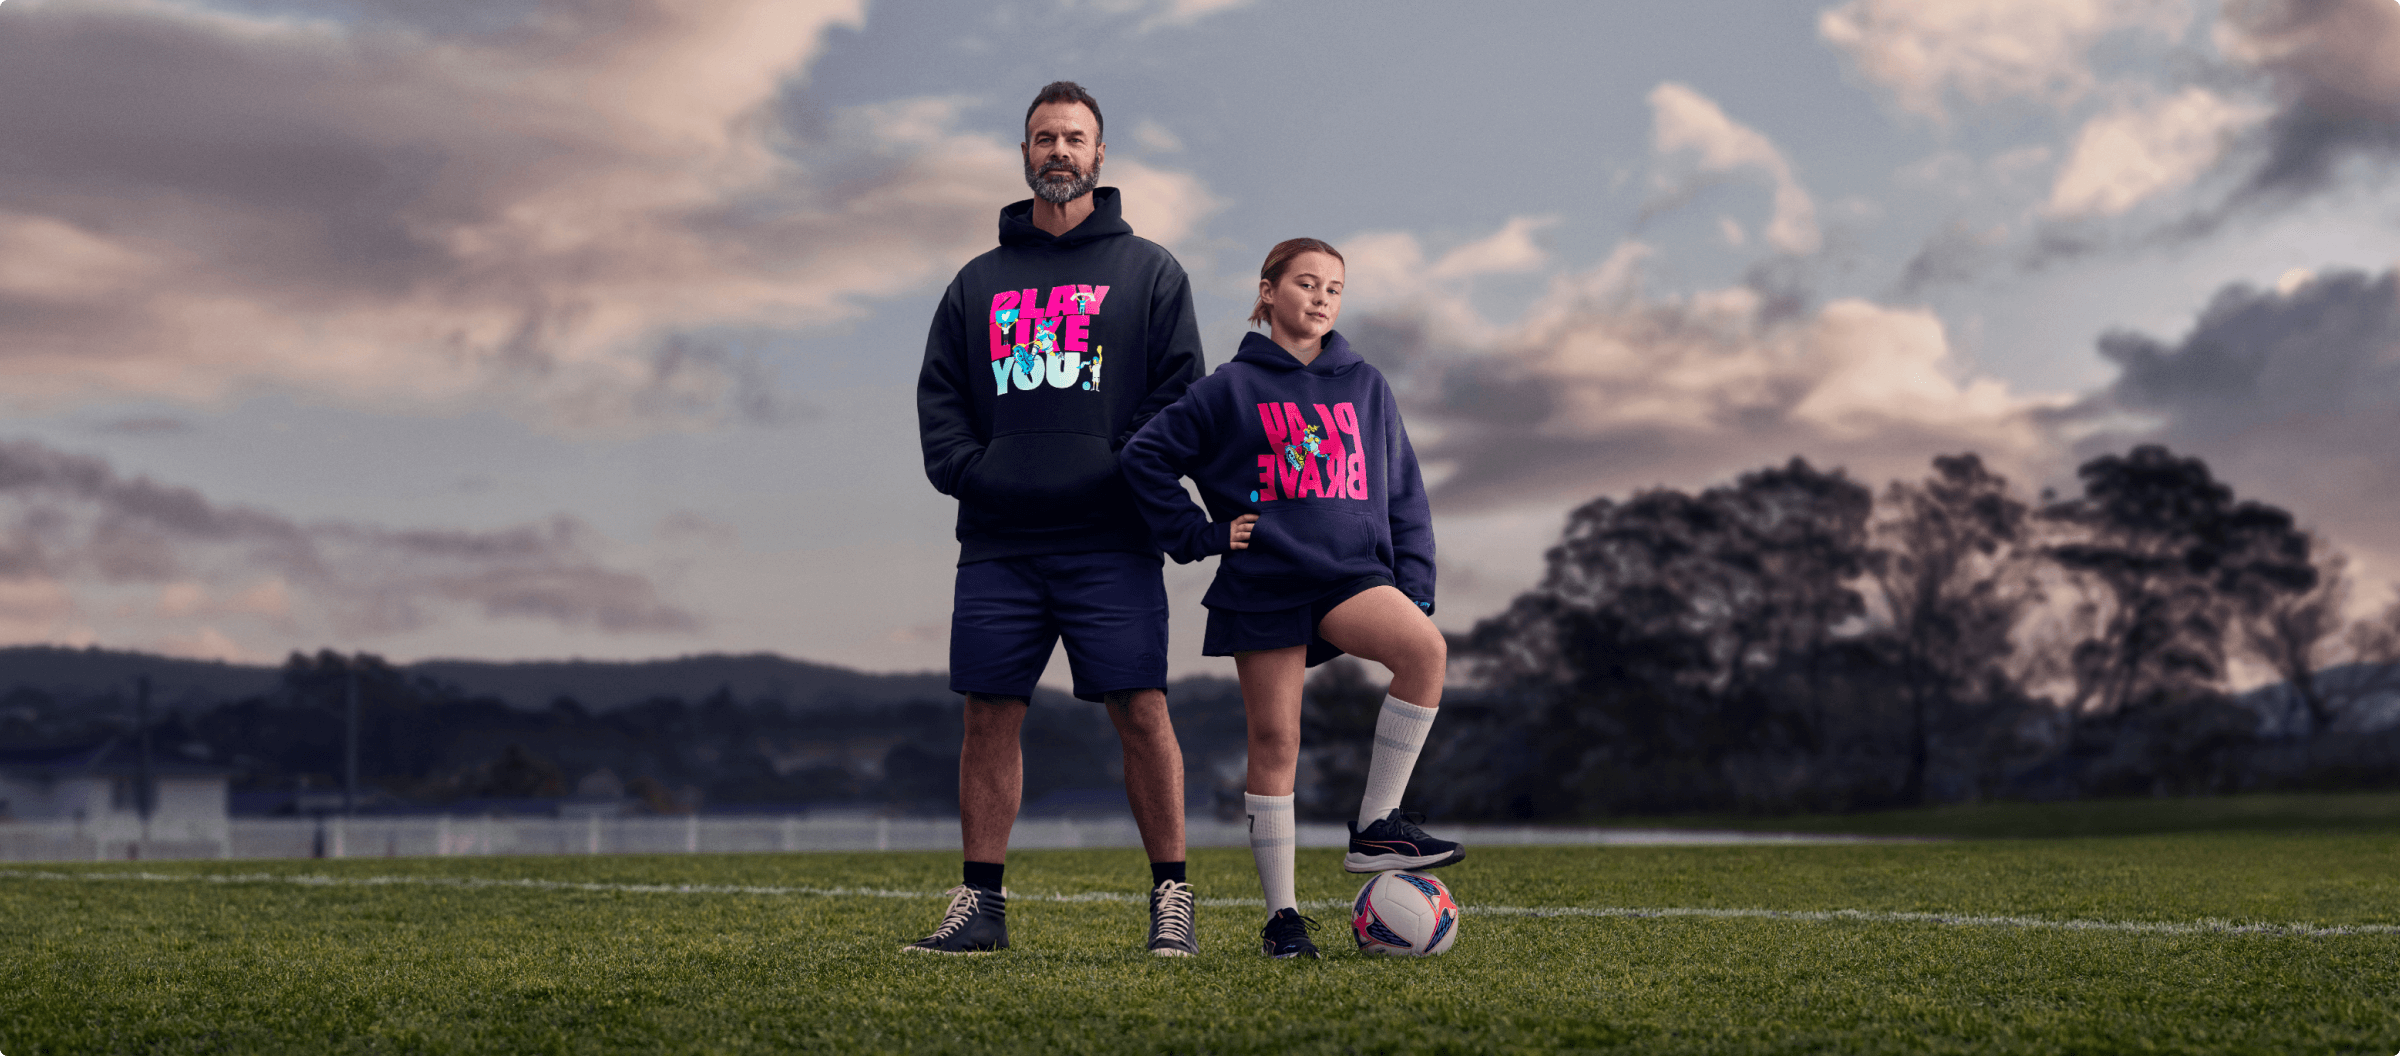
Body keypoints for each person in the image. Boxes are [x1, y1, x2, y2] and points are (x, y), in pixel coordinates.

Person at [909, 81, 1206, 957]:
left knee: (1141, 708)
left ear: (1100, 154)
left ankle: (1171, 899)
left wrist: (1115, 470)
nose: (1059, 152)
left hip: (1112, 536)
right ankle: (981, 906)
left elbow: (1179, 394)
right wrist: (978, 474)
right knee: (988, 714)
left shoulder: (1150, 271)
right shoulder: (977, 282)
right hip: (999, 541)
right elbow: (940, 401)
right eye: (1045, 138)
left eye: (1075, 138)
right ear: (1025, 153)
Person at [1120, 238, 1458, 960]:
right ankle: (1283, 919)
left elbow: (1404, 489)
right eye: (1307, 283)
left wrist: (1416, 585)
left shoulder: (1365, 383)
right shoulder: (1228, 388)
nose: (1322, 298)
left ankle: (1377, 826)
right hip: (1265, 581)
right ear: (1268, 292)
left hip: (1349, 576)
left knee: (1424, 651)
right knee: (1276, 743)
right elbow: (1144, 456)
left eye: (1334, 288)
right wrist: (1201, 534)